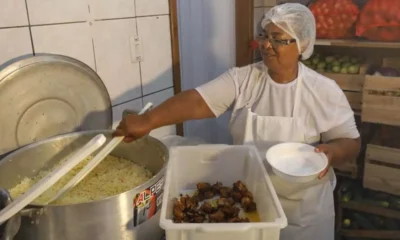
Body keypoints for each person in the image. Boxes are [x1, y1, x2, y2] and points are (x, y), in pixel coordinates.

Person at [114, 3, 360, 240]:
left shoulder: (323, 90)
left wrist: (333, 152)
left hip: (305, 213)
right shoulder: (244, 79)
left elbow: (350, 142)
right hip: (251, 205)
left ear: (302, 44)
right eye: (264, 35)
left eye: (278, 38)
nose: (266, 45)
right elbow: (198, 101)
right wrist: (148, 120)